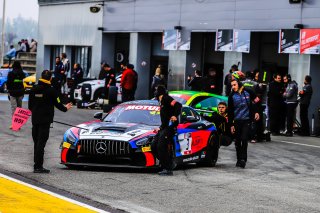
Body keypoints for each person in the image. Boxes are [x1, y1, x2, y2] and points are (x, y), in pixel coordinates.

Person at [28, 70, 72, 173]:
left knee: (36, 143)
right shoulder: (52, 91)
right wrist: (66, 108)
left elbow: (30, 106)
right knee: (41, 143)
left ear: (41, 77)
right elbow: (58, 104)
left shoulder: (33, 89)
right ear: (50, 78)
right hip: (45, 121)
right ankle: (38, 166)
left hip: (35, 120)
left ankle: (36, 165)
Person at [228, 78, 260, 168]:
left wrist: (257, 112)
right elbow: (230, 111)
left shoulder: (248, 91)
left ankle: (243, 159)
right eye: (232, 85)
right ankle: (238, 159)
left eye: (234, 85)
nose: (233, 87)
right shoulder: (231, 96)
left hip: (247, 120)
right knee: (238, 142)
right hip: (237, 121)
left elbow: (257, 101)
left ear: (239, 84)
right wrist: (231, 125)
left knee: (244, 139)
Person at [151, 85, 182, 176]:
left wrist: (175, 116)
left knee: (161, 146)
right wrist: (160, 128)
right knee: (154, 145)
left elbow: (178, 105)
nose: (155, 92)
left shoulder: (166, 98)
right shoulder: (160, 102)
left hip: (170, 127)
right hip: (164, 127)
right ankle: (167, 163)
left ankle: (168, 169)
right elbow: (164, 119)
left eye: (156, 90)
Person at [7, 61, 26, 127]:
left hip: (12, 93)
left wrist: (8, 92)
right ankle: (18, 124)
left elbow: (8, 83)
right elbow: (23, 82)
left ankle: (14, 124)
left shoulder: (10, 73)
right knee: (19, 108)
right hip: (20, 92)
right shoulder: (22, 73)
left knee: (14, 108)